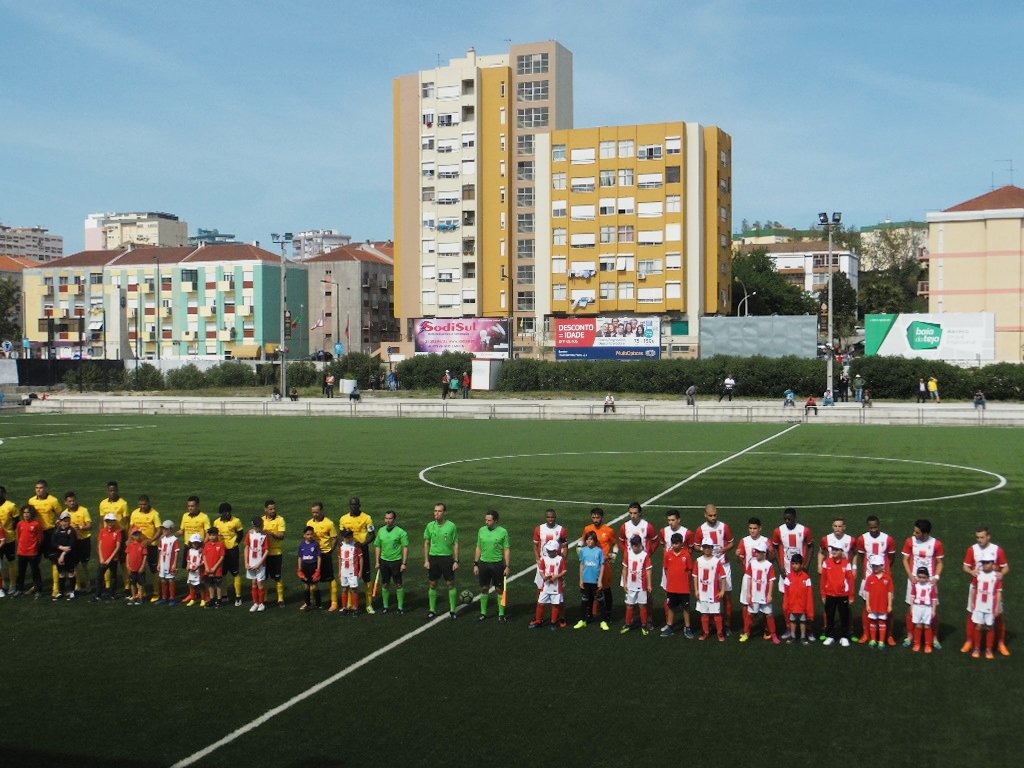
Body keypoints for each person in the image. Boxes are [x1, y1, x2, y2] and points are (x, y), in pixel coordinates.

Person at [961, 527, 1010, 656]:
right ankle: (970, 641)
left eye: (982, 537)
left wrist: (1001, 574)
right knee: (972, 613)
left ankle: (1000, 643)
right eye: (977, 537)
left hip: (993, 588)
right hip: (976, 587)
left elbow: (1006, 567)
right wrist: (971, 571)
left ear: (988, 536)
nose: (979, 540)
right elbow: (965, 566)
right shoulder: (972, 549)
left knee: (997, 615)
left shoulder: (997, 550)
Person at [901, 519, 944, 649]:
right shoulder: (910, 541)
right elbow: (905, 559)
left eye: (917, 532)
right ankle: (910, 636)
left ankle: (934, 638)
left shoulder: (936, 544)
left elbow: (940, 562)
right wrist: (910, 576)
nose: (914, 534)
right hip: (914, 581)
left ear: (925, 533)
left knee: (932, 610)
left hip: (930, 582)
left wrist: (936, 577)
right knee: (911, 607)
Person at [856, 515, 896, 645]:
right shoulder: (862, 539)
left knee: (888, 607)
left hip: (884, 578)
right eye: (871, 528)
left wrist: (884, 572)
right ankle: (866, 634)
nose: (873, 530)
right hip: (868, 578)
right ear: (868, 527)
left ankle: (889, 635)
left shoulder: (888, 539)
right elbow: (862, 556)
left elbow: (891, 558)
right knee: (866, 607)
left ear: (879, 525)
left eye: (876, 527)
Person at [697, 503, 734, 633]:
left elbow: (731, 543)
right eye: (710, 515)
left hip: (724, 564)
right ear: (705, 515)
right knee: (710, 595)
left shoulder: (724, 527)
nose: (713, 518)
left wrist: (725, 549)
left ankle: (727, 624)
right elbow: (695, 546)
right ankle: (713, 623)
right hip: (708, 567)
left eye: (715, 515)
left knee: (727, 595)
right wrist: (704, 550)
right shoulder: (701, 529)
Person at [582, 507, 618, 629]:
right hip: (591, 565)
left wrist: (613, 557)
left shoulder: (609, 530)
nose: (595, 520)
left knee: (606, 589)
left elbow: (615, 545)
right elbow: (582, 542)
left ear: (602, 517)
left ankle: (608, 614)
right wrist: (581, 552)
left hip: (604, 565)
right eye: (593, 517)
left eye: (597, 517)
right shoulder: (587, 529)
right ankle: (590, 615)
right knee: (590, 589)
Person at [339, 497, 376, 613]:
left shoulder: (367, 518)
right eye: (352, 505)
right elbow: (341, 532)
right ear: (349, 506)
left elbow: (372, 535)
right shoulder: (344, 518)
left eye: (356, 505)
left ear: (359, 505)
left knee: (366, 578)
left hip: (362, 550)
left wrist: (362, 544)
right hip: (349, 552)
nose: (354, 506)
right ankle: (350, 603)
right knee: (349, 576)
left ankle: (369, 605)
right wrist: (345, 542)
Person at [423, 502, 459, 619]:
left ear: (444, 513)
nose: (436, 513)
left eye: (439, 511)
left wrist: (456, 561)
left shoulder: (451, 526)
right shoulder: (430, 526)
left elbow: (455, 543)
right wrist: (426, 560)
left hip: (446, 558)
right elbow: (426, 543)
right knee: (432, 584)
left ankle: (453, 610)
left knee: (450, 584)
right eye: (435, 511)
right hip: (433, 558)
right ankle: (432, 610)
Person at [473, 510, 511, 623]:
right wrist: (475, 563)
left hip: (497, 564)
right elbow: (478, 547)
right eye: (486, 520)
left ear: (496, 521)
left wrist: (507, 566)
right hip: (483, 564)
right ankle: (483, 613)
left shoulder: (503, 532)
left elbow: (506, 549)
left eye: (489, 520)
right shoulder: (481, 530)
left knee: (500, 590)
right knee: (484, 588)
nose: (486, 522)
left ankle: (501, 614)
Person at [741, 541, 780, 644]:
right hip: (754, 595)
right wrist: (749, 594)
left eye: (758, 552)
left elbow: (771, 581)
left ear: (764, 553)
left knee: (769, 615)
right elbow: (749, 579)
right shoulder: (752, 564)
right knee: (750, 614)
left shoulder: (769, 565)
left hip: (764, 595)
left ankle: (773, 634)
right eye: (756, 551)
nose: (756, 553)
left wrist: (769, 594)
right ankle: (746, 633)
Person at [27, 480, 61, 597]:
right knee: (34, 560)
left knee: (53, 559)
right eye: (37, 488)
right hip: (36, 533)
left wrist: (58, 523)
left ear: (46, 489)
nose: (38, 490)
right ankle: (37, 585)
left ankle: (55, 587)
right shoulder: (31, 501)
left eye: (41, 488)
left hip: (49, 533)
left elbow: (60, 515)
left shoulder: (53, 500)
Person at [98, 481, 130, 597]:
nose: (113, 492)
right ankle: (107, 586)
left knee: (123, 562)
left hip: (119, 534)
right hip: (107, 535)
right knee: (106, 560)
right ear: (108, 491)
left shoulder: (123, 503)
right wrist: (101, 534)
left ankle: (127, 586)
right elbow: (101, 521)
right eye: (110, 490)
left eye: (114, 490)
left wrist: (127, 538)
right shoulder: (103, 503)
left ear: (117, 490)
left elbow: (127, 522)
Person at [820, 544, 856, 646]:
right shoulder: (826, 563)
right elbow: (823, 580)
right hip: (830, 594)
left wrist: (851, 596)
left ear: (841, 551)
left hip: (843, 595)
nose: (833, 551)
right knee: (830, 615)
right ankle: (830, 636)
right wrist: (823, 594)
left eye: (836, 549)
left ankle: (844, 636)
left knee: (844, 616)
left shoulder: (846, 563)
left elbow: (850, 580)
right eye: (832, 549)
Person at [375, 510, 410, 614]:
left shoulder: (401, 532)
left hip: (396, 561)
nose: (388, 520)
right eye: (386, 518)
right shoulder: (381, 531)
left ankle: (400, 607)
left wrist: (404, 563)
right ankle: (385, 606)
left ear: (394, 519)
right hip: (384, 561)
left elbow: (405, 547)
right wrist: (377, 561)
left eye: (390, 518)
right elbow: (378, 546)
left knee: (398, 584)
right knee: (385, 584)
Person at [306, 502, 338, 611]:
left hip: (325, 553)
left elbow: (334, 538)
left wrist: (330, 550)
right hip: (313, 554)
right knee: (311, 578)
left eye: (317, 512)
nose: (315, 514)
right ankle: (311, 601)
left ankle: (334, 602)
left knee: (330, 578)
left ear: (322, 511)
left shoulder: (329, 523)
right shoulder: (309, 523)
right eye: (313, 512)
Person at [129, 494, 161, 602]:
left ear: (148, 503)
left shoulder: (154, 514)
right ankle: (141, 592)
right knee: (139, 569)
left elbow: (159, 530)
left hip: (151, 546)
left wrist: (150, 540)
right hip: (138, 546)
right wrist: (130, 540)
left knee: (153, 569)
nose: (142, 506)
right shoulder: (134, 513)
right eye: (140, 504)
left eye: (144, 504)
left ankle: (156, 592)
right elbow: (131, 528)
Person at [693, 538, 727, 641]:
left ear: (712, 548)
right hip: (702, 593)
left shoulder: (716, 561)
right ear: (702, 548)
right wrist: (696, 590)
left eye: (709, 547)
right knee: (704, 613)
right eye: (705, 547)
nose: (707, 549)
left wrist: (722, 590)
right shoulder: (698, 561)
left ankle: (720, 633)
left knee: (716, 614)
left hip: (714, 593)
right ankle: (706, 632)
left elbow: (723, 576)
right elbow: (695, 576)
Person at [661, 532, 693, 637]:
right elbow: (666, 569)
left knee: (685, 608)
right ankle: (670, 626)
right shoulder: (668, 555)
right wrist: (671, 580)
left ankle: (687, 627)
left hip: (684, 588)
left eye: (676, 543)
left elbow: (690, 570)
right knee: (671, 607)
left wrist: (684, 580)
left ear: (681, 543)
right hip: (671, 587)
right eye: (673, 543)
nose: (674, 545)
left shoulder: (686, 555)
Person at [968, 559, 1002, 660]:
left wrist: (997, 607)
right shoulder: (978, 574)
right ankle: (977, 648)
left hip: (990, 606)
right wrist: (972, 603)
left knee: (989, 627)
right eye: (983, 563)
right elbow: (973, 588)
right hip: (979, 606)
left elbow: (999, 592)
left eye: (987, 563)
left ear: (992, 563)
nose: (985, 565)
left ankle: (989, 649)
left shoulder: (996, 576)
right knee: (978, 626)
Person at [213, 502, 245, 607]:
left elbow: (240, 534)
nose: (227, 514)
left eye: (228, 511)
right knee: (223, 573)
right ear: (221, 513)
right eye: (224, 512)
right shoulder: (216, 522)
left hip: (232, 551)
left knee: (235, 573)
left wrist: (234, 543)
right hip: (221, 551)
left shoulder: (236, 521)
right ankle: (224, 595)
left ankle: (238, 597)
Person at [619, 535, 653, 635]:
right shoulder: (628, 554)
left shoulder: (644, 555)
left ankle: (644, 625)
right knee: (629, 605)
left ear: (640, 545)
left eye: (636, 545)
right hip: (630, 585)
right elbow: (624, 569)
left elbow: (648, 570)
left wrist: (649, 584)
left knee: (642, 605)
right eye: (633, 545)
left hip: (642, 585)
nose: (634, 547)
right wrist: (625, 583)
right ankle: (627, 624)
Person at [530, 539, 566, 630]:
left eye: (551, 550)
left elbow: (564, 571)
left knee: (555, 604)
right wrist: (544, 577)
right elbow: (541, 570)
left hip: (556, 587)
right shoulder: (544, 559)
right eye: (548, 550)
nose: (549, 551)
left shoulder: (560, 559)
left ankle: (553, 622)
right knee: (540, 603)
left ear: (556, 550)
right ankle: (538, 621)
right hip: (545, 586)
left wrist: (556, 577)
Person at [574, 531, 606, 630]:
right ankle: (582, 620)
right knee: (584, 601)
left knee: (600, 601)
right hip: (586, 581)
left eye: (591, 539)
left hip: (595, 581)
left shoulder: (599, 551)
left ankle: (603, 621)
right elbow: (581, 565)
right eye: (587, 539)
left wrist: (600, 580)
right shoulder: (583, 551)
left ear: (595, 540)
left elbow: (602, 566)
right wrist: (581, 580)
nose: (589, 541)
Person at [863, 555, 894, 648]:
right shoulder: (869, 578)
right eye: (873, 566)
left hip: (883, 605)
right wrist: (867, 604)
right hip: (873, 605)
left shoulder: (887, 578)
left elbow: (890, 592)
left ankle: (881, 641)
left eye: (877, 566)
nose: (875, 568)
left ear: (882, 566)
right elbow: (867, 593)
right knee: (873, 621)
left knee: (882, 622)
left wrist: (890, 605)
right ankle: (873, 639)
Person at [782, 554, 815, 643]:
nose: (794, 566)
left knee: (802, 621)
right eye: (793, 564)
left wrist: (809, 608)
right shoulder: (789, 577)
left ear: (801, 564)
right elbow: (786, 594)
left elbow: (809, 594)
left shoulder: (806, 577)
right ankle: (793, 636)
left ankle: (803, 637)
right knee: (792, 621)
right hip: (792, 605)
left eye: (796, 564)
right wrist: (786, 605)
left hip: (802, 606)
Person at [64, 491, 92, 594]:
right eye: (69, 501)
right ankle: (78, 585)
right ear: (65, 502)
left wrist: (80, 527)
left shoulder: (83, 510)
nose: (72, 503)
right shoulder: (65, 513)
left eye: (73, 500)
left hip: (84, 540)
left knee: (84, 564)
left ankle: (88, 584)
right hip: (73, 542)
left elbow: (89, 525)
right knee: (75, 564)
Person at [14, 506, 44, 597]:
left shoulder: (36, 524)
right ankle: (19, 589)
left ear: (32, 514)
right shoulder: (20, 524)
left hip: (32, 553)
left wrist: (35, 548)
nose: (26, 514)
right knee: (21, 572)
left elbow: (40, 538)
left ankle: (38, 590)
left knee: (35, 572)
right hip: (21, 552)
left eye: (28, 512)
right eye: (24, 512)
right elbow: (18, 536)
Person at [261, 499, 287, 606]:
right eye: (270, 509)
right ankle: (264, 599)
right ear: (265, 509)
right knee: (264, 577)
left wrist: (271, 534)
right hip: (264, 554)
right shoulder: (261, 520)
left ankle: (280, 599)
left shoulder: (280, 520)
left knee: (277, 576)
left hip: (276, 553)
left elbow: (281, 536)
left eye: (274, 509)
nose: (273, 511)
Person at [909, 567, 939, 653]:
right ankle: (917, 643)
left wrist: (933, 610)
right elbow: (912, 597)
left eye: (923, 577)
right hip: (917, 607)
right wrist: (911, 607)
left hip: (927, 608)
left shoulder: (931, 586)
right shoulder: (915, 585)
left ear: (927, 577)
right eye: (919, 577)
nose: (921, 579)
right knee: (918, 625)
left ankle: (928, 644)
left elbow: (934, 599)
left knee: (927, 626)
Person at [93, 513, 122, 601]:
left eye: (111, 521)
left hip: (113, 559)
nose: (110, 524)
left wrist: (110, 559)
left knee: (113, 577)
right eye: (108, 521)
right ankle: (98, 595)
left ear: (115, 522)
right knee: (99, 577)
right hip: (103, 559)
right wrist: (101, 558)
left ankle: (112, 594)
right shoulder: (102, 531)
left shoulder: (117, 532)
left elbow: (117, 547)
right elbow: (99, 545)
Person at [49, 511, 78, 600]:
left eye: (68, 520)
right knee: (61, 573)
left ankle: (72, 591)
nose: (66, 522)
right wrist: (61, 548)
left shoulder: (71, 531)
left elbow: (71, 544)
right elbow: (53, 542)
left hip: (69, 555)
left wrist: (63, 554)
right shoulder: (56, 531)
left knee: (70, 573)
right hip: (59, 555)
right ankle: (61, 592)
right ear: (60, 521)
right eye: (65, 521)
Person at [243, 517, 269, 613]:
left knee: (260, 584)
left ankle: (261, 603)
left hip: (260, 564)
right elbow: (246, 548)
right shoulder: (250, 534)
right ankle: (255, 603)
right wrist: (246, 562)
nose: (261, 527)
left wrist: (260, 563)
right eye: (259, 526)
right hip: (251, 563)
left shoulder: (265, 535)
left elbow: (266, 550)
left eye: (261, 525)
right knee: (253, 583)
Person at [177, 496, 211, 569]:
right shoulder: (185, 516)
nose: (190, 508)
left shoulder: (204, 517)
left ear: (197, 505)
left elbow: (208, 533)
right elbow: (181, 531)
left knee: (200, 566)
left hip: (198, 546)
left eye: (192, 506)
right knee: (188, 567)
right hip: (188, 546)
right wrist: (170, 535)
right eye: (188, 506)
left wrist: (203, 545)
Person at [297, 526, 322, 611]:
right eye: (307, 534)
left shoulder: (316, 544)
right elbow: (300, 557)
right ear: (304, 535)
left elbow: (319, 557)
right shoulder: (302, 545)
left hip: (313, 566)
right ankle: (307, 604)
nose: (310, 536)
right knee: (306, 586)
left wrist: (318, 569)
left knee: (314, 586)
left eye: (311, 534)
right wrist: (299, 569)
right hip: (305, 566)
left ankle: (318, 604)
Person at [337, 529, 362, 614]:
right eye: (346, 537)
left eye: (350, 537)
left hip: (353, 572)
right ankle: (344, 608)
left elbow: (361, 558)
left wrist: (360, 571)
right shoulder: (341, 546)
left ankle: (356, 608)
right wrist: (339, 572)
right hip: (344, 571)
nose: (348, 539)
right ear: (343, 537)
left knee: (354, 589)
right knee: (344, 589)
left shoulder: (356, 546)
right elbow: (340, 559)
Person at [156, 521, 180, 605]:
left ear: (171, 529)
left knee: (171, 580)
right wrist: (159, 563)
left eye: (166, 529)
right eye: (163, 529)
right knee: (163, 579)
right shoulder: (162, 539)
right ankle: (164, 597)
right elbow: (160, 551)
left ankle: (172, 598)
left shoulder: (174, 539)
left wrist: (174, 564)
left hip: (170, 563)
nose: (164, 530)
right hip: (163, 563)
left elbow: (176, 552)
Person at [203, 527, 227, 607]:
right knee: (210, 584)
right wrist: (206, 567)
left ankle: (219, 600)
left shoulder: (220, 544)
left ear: (217, 535)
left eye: (213, 535)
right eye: (210, 535)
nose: (212, 537)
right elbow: (204, 556)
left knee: (218, 585)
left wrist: (215, 567)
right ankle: (212, 599)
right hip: (208, 569)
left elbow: (222, 557)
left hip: (217, 570)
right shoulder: (207, 545)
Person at [0, 486, 17, 594]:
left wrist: (9, 530)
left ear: (4, 493)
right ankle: (2, 584)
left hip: (9, 539)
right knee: (0, 563)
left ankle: (12, 584)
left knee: (11, 561)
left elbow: (16, 520)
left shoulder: (11, 506)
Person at [125, 528, 148, 605]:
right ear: (132, 536)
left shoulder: (142, 545)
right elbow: (127, 555)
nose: (137, 536)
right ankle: (134, 597)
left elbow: (145, 556)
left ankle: (140, 597)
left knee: (140, 583)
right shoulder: (130, 545)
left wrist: (142, 566)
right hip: (132, 568)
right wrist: (127, 565)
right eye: (135, 535)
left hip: (139, 569)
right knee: (132, 583)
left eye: (138, 534)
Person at [183, 533, 204, 606]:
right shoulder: (189, 551)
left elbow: (203, 561)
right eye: (193, 542)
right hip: (191, 571)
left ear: (200, 543)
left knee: (200, 586)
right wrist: (188, 566)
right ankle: (192, 599)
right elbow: (188, 560)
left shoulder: (201, 551)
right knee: (191, 585)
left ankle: (203, 599)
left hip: (199, 571)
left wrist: (198, 567)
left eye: (197, 542)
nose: (195, 544)